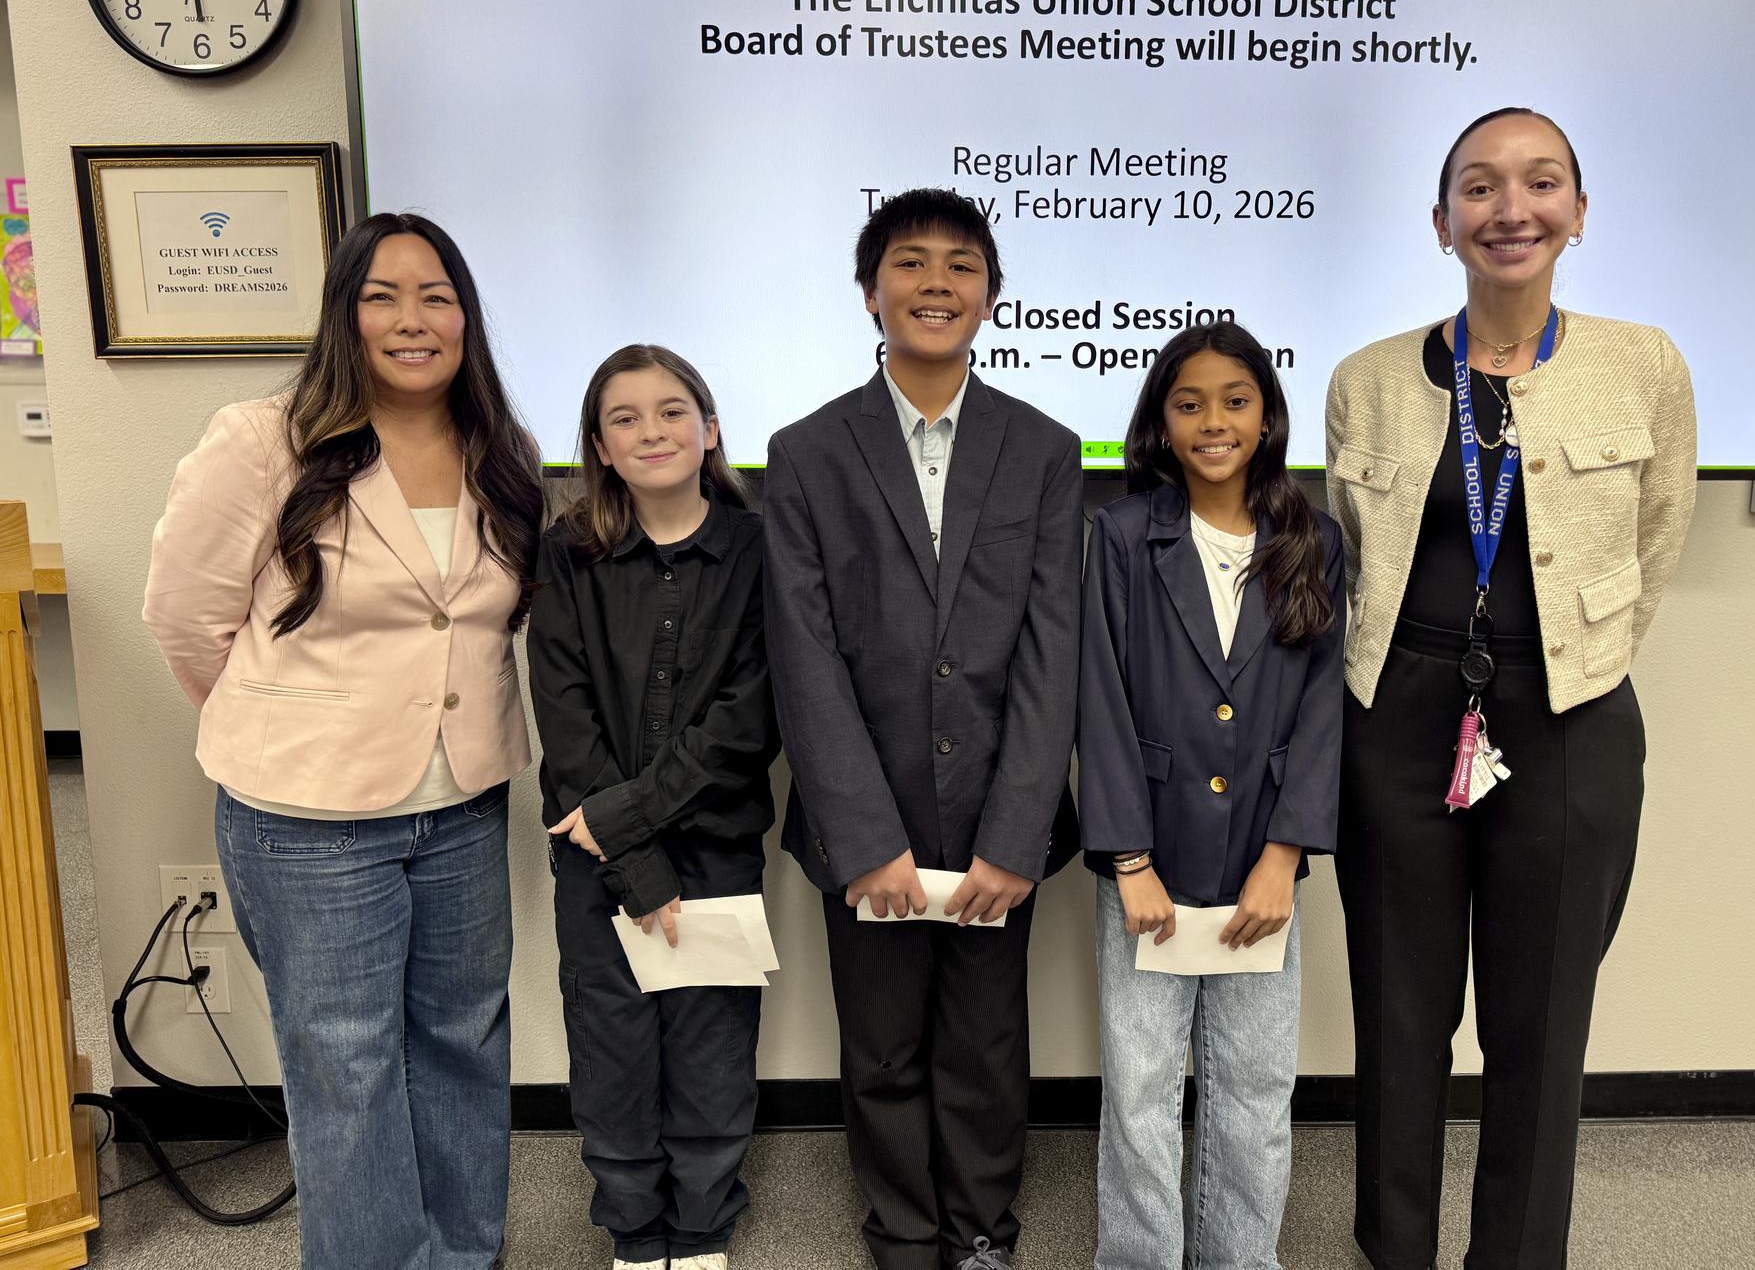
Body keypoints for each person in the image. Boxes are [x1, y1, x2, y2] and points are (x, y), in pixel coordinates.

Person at [1325, 107, 1697, 1269]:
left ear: (1578, 213)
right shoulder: (1370, 379)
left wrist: (1566, 666)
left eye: (1541, 185)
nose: (1511, 209)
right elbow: (1351, 556)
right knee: (1398, 1015)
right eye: (1479, 189)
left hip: (1570, 718)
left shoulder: (1644, 364)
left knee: (1539, 1026)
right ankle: (1395, 1251)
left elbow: (1655, 537)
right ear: (1443, 224)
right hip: (1399, 719)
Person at [143, 212, 544, 1270]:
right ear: (343, 315)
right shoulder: (261, 440)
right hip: (309, 821)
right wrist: (281, 722)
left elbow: (487, 625)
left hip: (462, 801)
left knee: (464, 1041)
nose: (414, 319)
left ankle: (464, 1254)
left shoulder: (502, 450)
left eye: (438, 296)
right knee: (347, 1066)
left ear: (467, 317)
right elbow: (185, 617)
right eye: (383, 296)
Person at [763, 188, 1082, 1270]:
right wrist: (864, 836)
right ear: (870, 294)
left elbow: (1053, 649)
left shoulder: (1043, 449)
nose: (936, 283)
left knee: (989, 1042)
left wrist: (1017, 832)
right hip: (870, 813)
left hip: (999, 807)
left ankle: (984, 1228)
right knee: (884, 1040)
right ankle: (901, 1230)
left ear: (991, 296)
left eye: (961, 265)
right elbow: (804, 660)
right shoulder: (806, 452)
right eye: (910, 263)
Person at [1079, 322, 1344, 1270]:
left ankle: (1241, 1258)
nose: (1213, 421)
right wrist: (1128, 861)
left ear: (1267, 414)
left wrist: (1286, 855)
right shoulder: (1116, 536)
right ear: (1160, 421)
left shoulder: (1312, 538)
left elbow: (1322, 709)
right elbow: (1098, 703)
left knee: (1256, 1086)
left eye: (1235, 400)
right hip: (1148, 861)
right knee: (1142, 1089)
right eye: (1188, 403)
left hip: (1261, 865)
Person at [530, 344, 780, 1270]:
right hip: (593, 854)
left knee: (713, 1043)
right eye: (625, 418)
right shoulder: (567, 554)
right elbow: (564, 714)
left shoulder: (760, 551)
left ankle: (704, 1224)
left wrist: (640, 825)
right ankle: (637, 1231)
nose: (652, 431)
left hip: (716, 845)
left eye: (672, 411)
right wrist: (633, 861)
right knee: (614, 1043)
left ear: (710, 430)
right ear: (598, 445)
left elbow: (746, 720)